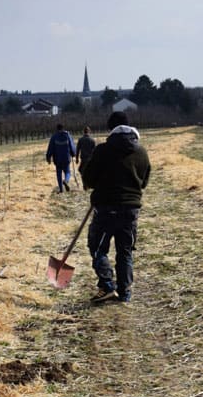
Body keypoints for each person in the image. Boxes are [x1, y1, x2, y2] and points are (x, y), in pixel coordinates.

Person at [82, 111, 151, 304]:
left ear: (111, 129)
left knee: (97, 248)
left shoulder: (103, 150)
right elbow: (144, 182)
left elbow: (89, 179)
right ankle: (125, 291)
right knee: (125, 250)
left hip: (106, 208)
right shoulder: (141, 152)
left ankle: (107, 285)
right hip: (131, 209)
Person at [46, 123, 77, 193]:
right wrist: (73, 153)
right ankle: (66, 181)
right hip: (66, 158)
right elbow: (71, 145)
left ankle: (61, 189)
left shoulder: (54, 136)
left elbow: (50, 148)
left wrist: (48, 157)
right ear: (63, 128)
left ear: (57, 129)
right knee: (68, 172)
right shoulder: (67, 135)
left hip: (57, 159)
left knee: (59, 173)